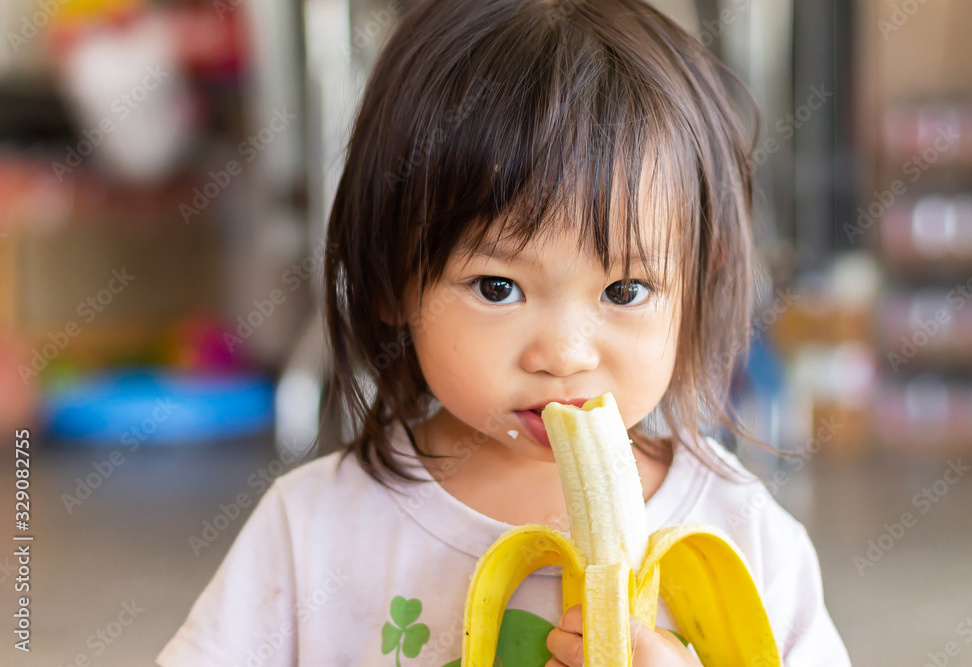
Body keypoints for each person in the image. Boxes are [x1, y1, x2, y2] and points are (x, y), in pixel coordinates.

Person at [157, 0, 852, 664]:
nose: (565, 354)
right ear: (398, 277)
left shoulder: (741, 534)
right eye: (498, 287)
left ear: (701, 281)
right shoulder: (313, 532)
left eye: (625, 290)